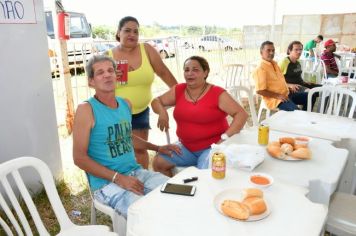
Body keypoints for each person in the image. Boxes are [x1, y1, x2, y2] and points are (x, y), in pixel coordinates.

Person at [73, 55, 180, 217]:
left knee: (178, 193)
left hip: (135, 173)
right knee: (147, 214)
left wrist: (157, 148)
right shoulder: (86, 109)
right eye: (100, 73)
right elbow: (79, 158)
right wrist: (118, 178)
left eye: (110, 70)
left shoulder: (125, 104)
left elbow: (127, 138)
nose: (107, 75)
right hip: (106, 183)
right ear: (91, 82)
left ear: (117, 76)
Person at [151, 56, 248, 176]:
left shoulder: (217, 93)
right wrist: (162, 113)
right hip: (186, 148)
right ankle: (174, 191)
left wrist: (224, 139)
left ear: (205, 72)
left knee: (202, 176)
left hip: (213, 147)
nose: (190, 73)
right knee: (158, 162)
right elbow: (156, 101)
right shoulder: (179, 90)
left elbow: (241, 114)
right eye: (186, 70)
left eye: (195, 70)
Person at [106, 16, 178, 169]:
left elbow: (163, 73)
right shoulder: (108, 56)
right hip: (116, 112)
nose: (132, 34)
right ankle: (123, 181)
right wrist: (111, 78)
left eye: (135, 31)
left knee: (140, 149)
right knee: (120, 151)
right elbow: (94, 83)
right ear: (118, 33)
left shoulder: (146, 50)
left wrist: (181, 92)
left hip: (140, 111)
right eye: (127, 30)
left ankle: (142, 182)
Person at [253, 41, 313, 112]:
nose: (271, 53)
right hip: (275, 99)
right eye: (268, 50)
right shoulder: (260, 68)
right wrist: (278, 96)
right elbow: (260, 91)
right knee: (297, 112)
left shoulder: (274, 64)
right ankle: (299, 117)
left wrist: (288, 86)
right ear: (261, 52)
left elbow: (281, 81)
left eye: (273, 50)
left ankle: (304, 116)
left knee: (311, 96)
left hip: (287, 94)